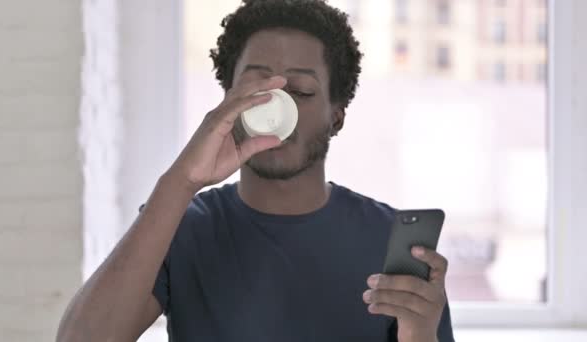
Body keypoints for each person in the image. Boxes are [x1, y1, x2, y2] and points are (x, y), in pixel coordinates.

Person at [57, 0, 455, 341]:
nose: (276, 108)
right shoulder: (181, 226)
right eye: (257, 89)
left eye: (299, 92)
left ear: (337, 116)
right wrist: (181, 181)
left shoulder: (388, 241)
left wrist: (420, 336)